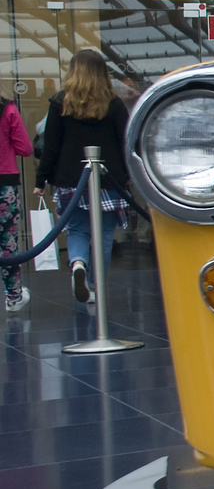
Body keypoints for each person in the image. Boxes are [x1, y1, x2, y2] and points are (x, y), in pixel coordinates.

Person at [34, 49, 131, 306]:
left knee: (77, 230)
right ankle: (95, 285)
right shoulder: (113, 103)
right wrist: (130, 175)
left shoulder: (60, 103)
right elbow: (126, 142)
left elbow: (51, 146)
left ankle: (78, 264)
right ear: (102, 72)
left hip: (71, 180)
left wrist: (40, 179)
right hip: (108, 180)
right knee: (105, 234)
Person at [1, 93, 33, 312]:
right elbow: (26, 149)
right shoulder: (8, 110)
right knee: (8, 243)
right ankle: (13, 297)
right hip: (5, 183)